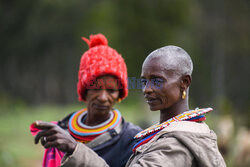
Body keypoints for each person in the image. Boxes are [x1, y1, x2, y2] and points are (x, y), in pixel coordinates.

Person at [52, 45, 226, 167]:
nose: (147, 90)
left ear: (184, 83)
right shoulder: (167, 134)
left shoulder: (176, 145)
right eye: (144, 81)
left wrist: (75, 149)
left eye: (157, 81)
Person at [31, 34, 142, 167]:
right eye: (95, 88)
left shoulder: (132, 139)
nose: (102, 97)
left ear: (119, 94)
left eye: (111, 90)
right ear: (84, 91)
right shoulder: (61, 131)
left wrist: (73, 148)